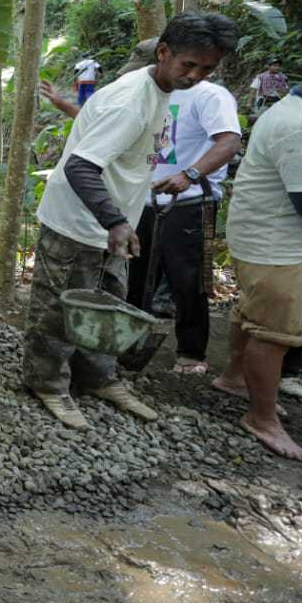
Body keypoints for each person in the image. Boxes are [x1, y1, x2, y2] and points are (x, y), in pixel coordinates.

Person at [23, 12, 238, 429]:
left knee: (107, 303)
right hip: (77, 222)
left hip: (110, 222)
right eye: (188, 65)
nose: (194, 76)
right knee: (57, 307)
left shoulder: (161, 90)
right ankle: (47, 383)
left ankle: (98, 377)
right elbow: (80, 167)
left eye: (206, 69)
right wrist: (117, 222)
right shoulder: (130, 101)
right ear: (163, 52)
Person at [215, 55, 302, 463]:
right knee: (275, 331)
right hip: (276, 244)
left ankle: (234, 378)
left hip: (261, 234)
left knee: (252, 313)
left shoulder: (298, 112)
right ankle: (262, 419)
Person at [125, 73, 241, 377]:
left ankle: (191, 352)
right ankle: (127, 342)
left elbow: (229, 142)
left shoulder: (211, 96)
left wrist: (189, 174)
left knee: (188, 280)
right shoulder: (155, 92)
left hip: (190, 202)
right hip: (146, 200)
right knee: (135, 274)